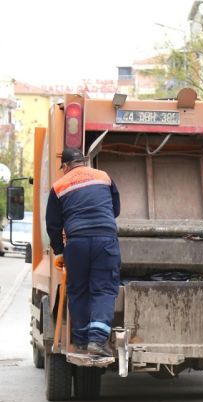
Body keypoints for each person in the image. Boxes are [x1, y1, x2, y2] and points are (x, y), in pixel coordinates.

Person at [45, 147, 121, 357]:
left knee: (78, 290)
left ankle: (80, 340)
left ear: (67, 166)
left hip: (76, 243)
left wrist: (60, 251)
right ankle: (97, 341)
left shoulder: (59, 186)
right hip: (105, 240)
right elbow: (115, 209)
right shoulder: (103, 177)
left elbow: (52, 224)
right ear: (84, 162)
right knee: (104, 289)